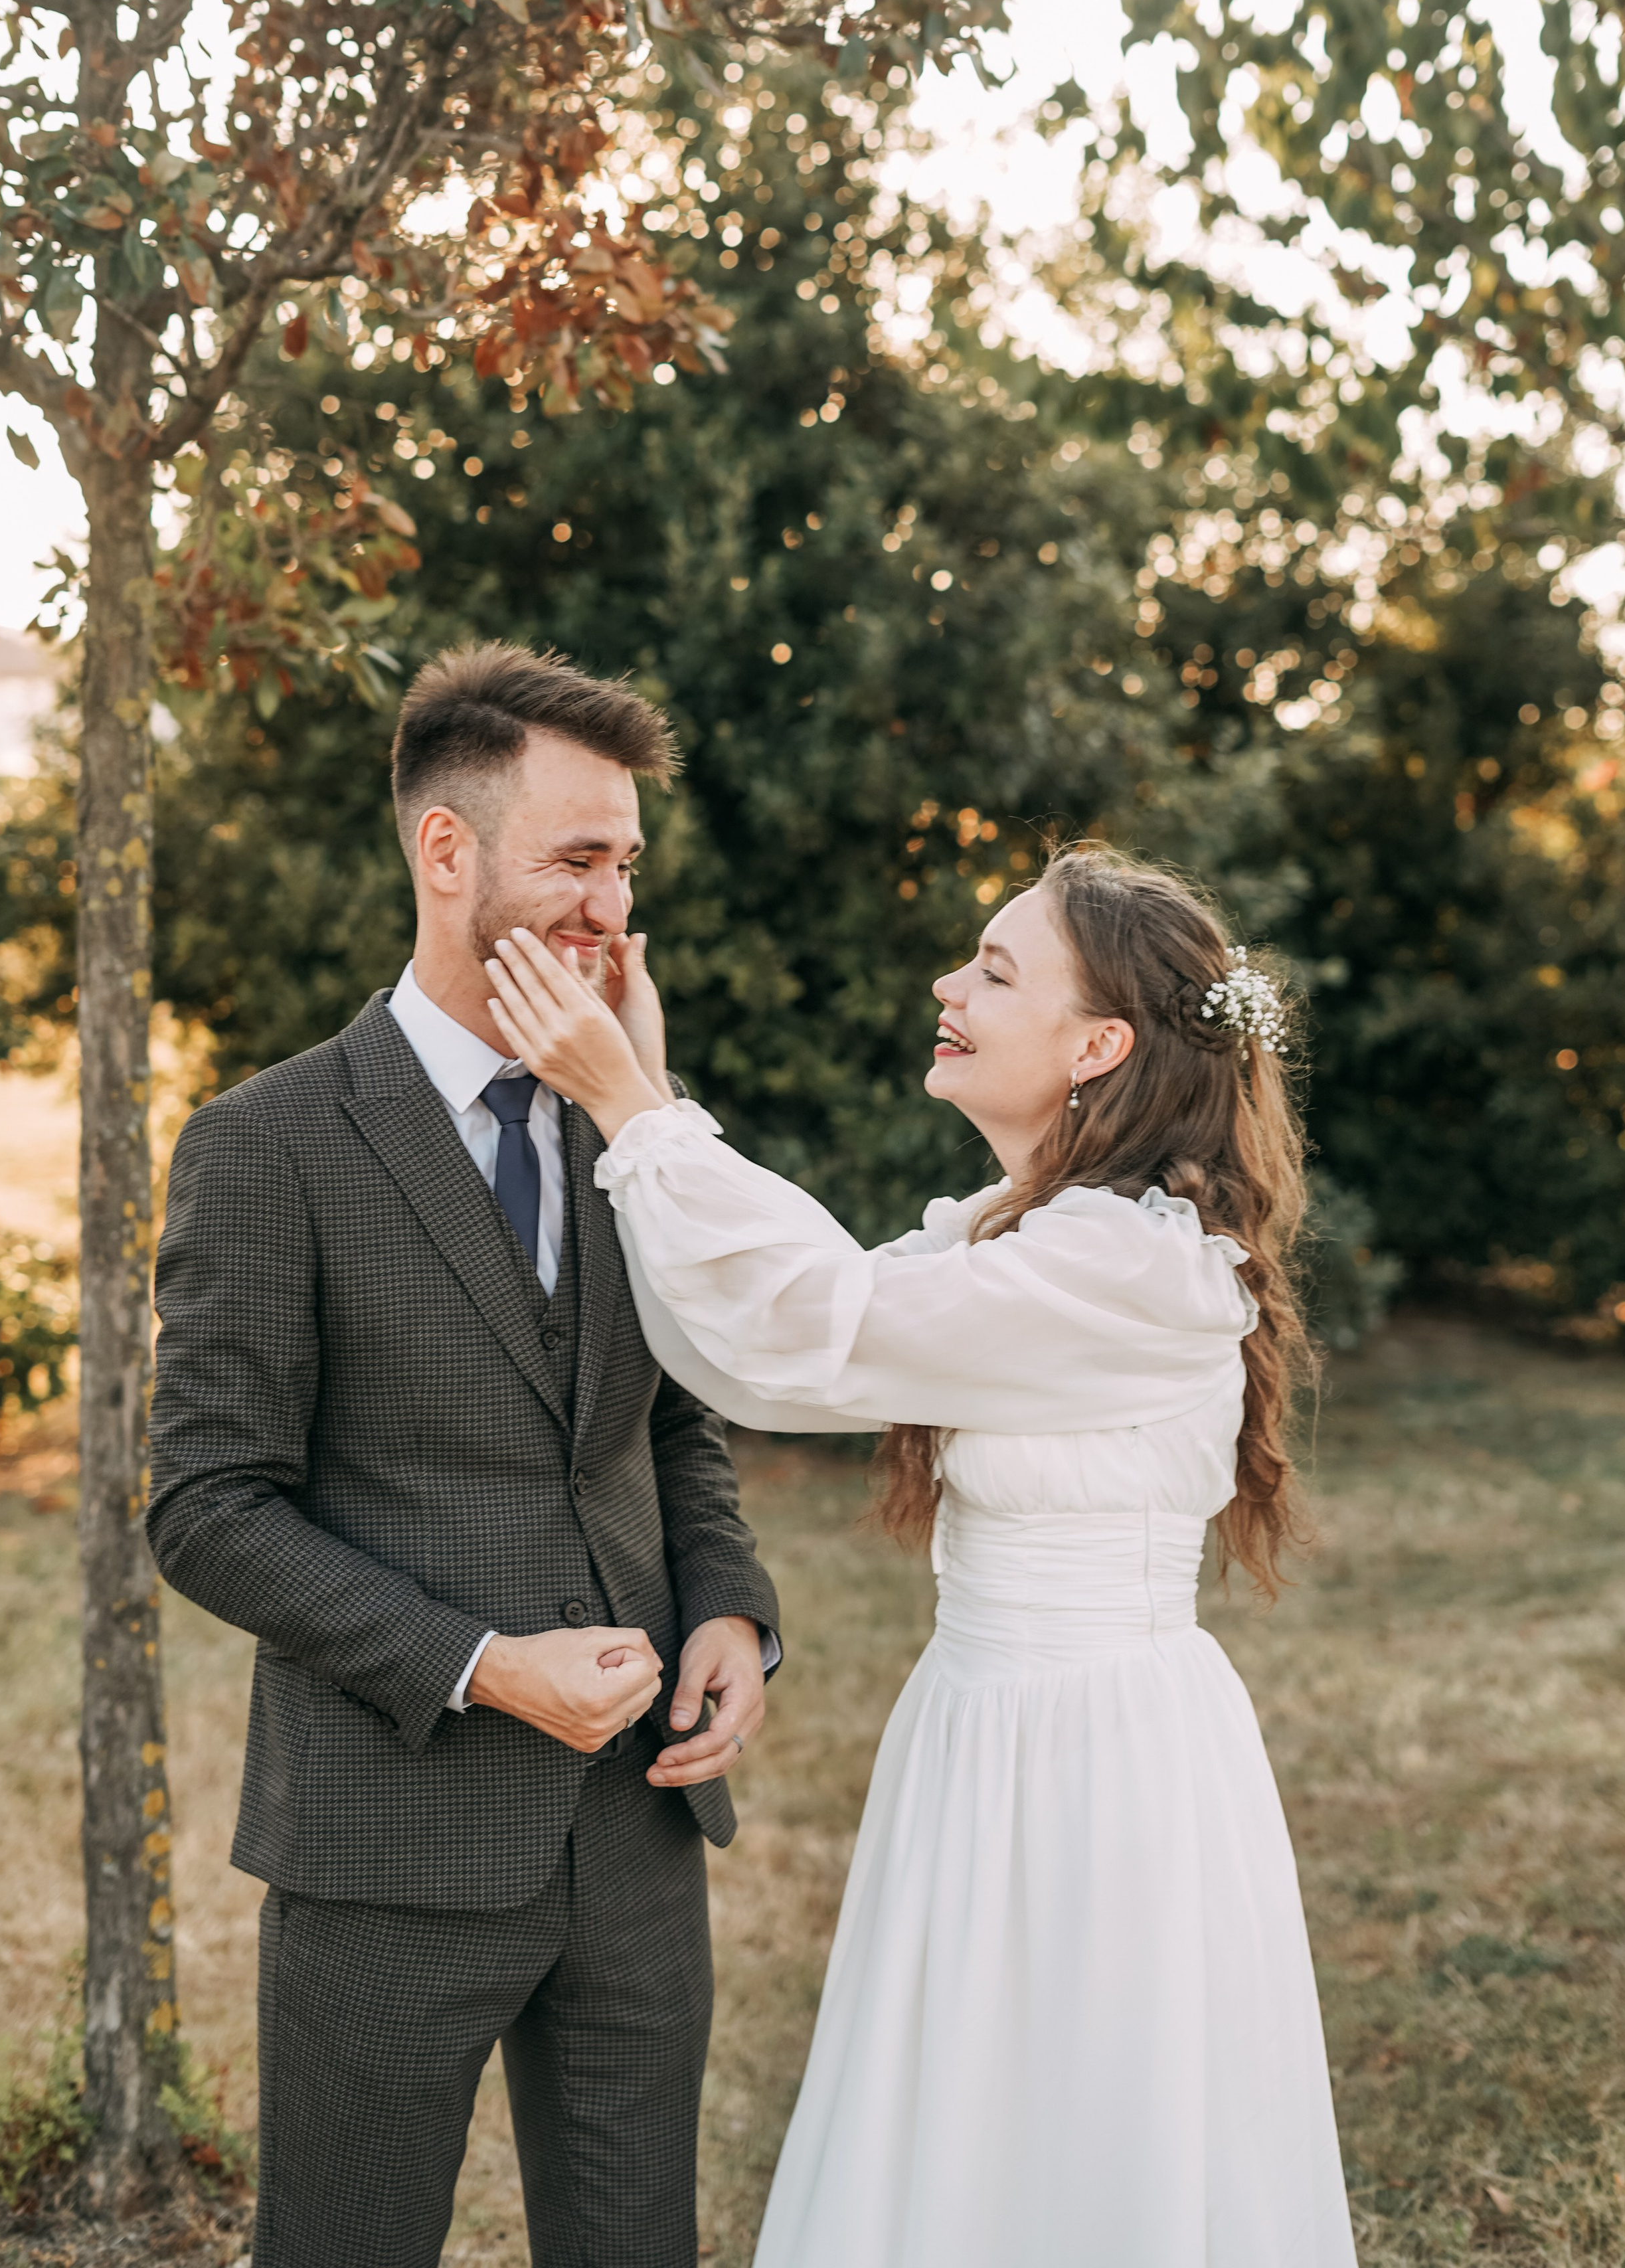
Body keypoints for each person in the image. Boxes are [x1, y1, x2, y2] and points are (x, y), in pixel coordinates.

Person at [483, 840, 1359, 2268]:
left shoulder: (1125, 1268)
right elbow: (766, 1349)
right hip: (975, 1724)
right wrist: (647, 1095)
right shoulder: (1022, 1237)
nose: (948, 983)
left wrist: (630, 1107)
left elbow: (818, 1322)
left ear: (1096, 1045)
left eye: (996, 969)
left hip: (1097, 1759)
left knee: (1079, 2122)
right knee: (962, 2115)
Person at [147, 642, 780, 2268]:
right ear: (447, 852)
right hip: (388, 1841)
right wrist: (487, 1665)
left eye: (625, 866)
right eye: (575, 859)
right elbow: (209, 1507)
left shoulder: (630, 1121)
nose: (608, 908)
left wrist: (731, 1613)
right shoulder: (267, 1144)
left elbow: (674, 1422)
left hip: (638, 1834)